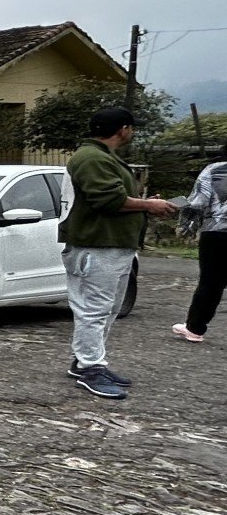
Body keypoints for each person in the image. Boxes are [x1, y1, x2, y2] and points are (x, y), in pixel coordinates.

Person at [60, 106, 177, 397]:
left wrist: (145, 202)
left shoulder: (101, 157)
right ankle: (90, 368)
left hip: (110, 246)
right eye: (131, 129)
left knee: (108, 308)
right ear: (124, 129)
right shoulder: (92, 158)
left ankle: (86, 361)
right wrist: (149, 205)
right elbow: (108, 199)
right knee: (93, 310)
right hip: (97, 246)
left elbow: (113, 197)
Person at [172, 152, 226, 342]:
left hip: (217, 232)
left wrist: (186, 227)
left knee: (211, 282)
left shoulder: (215, 170)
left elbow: (197, 202)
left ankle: (195, 329)